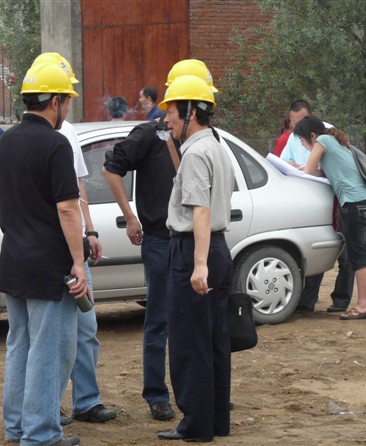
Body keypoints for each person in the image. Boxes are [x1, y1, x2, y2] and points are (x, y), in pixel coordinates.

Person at [0, 61, 84, 446]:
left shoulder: (5, 140)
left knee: (19, 347)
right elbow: (67, 206)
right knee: (48, 350)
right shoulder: (55, 144)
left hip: (14, 258)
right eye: (67, 102)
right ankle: (41, 433)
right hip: (48, 265)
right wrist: (78, 261)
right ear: (56, 101)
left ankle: (17, 428)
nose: (67, 110)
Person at [30, 51, 117, 426]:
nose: (68, 102)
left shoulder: (67, 133)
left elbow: (77, 187)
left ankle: (86, 400)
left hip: (74, 242)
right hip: (55, 249)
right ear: (56, 98)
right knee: (49, 338)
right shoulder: (39, 136)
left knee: (85, 330)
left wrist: (91, 229)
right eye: (66, 95)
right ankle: (49, 406)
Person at [156, 74, 235, 442]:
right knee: (215, 340)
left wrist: (198, 264)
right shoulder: (217, 147)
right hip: (216, 247)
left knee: (189, 342)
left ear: (190, 112)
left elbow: (200, 210)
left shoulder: (197, 153)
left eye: (171, 111)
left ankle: (196, 425)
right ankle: (216, 420)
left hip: (194, 251)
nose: (167, 119)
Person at [102, 115, 178, 422]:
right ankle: (157, 394)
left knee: (197, 320)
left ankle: (198, 390)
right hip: (160, 240)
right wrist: (130, 216)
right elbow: (110, 169)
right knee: (159, 320)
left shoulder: (201, 135)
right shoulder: (150, 134)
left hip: (193, 239)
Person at [295, 115, 366, 320]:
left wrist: (297, 167)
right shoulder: (336, 142)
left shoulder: (322, 141)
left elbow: (308, 170)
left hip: (352, 205)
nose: (305, 146)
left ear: (312, 136)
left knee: (358, 258)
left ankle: (362, 305)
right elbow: (327, 171)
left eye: (303, 142)